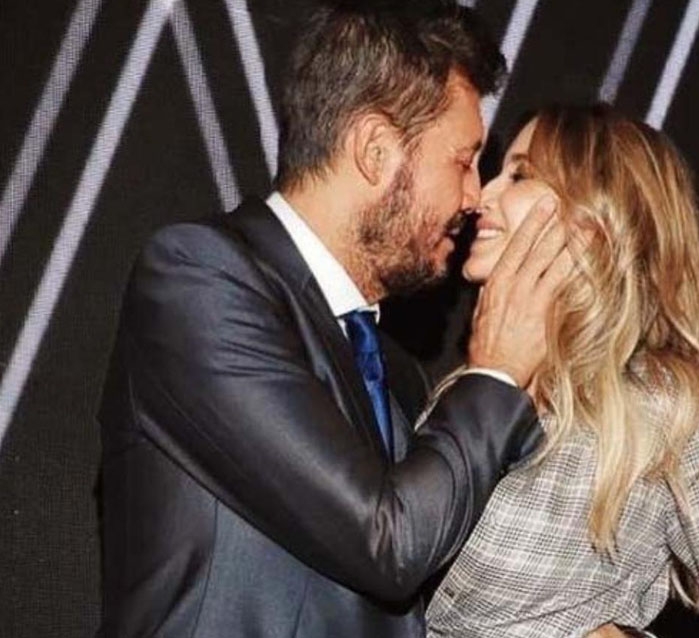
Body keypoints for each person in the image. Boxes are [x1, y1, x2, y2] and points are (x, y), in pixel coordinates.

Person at [97, 2, 572, 636]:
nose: (472, 196)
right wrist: (497, 374)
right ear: (375, 151)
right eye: (463, 161)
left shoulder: (395, 373)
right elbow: (387, 542)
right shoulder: (197, 281)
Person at [424, 104, 699, 637]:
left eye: (520, 175)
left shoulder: (661, 408)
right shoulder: (467, 390)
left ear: (595, 220)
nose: (483, 195)